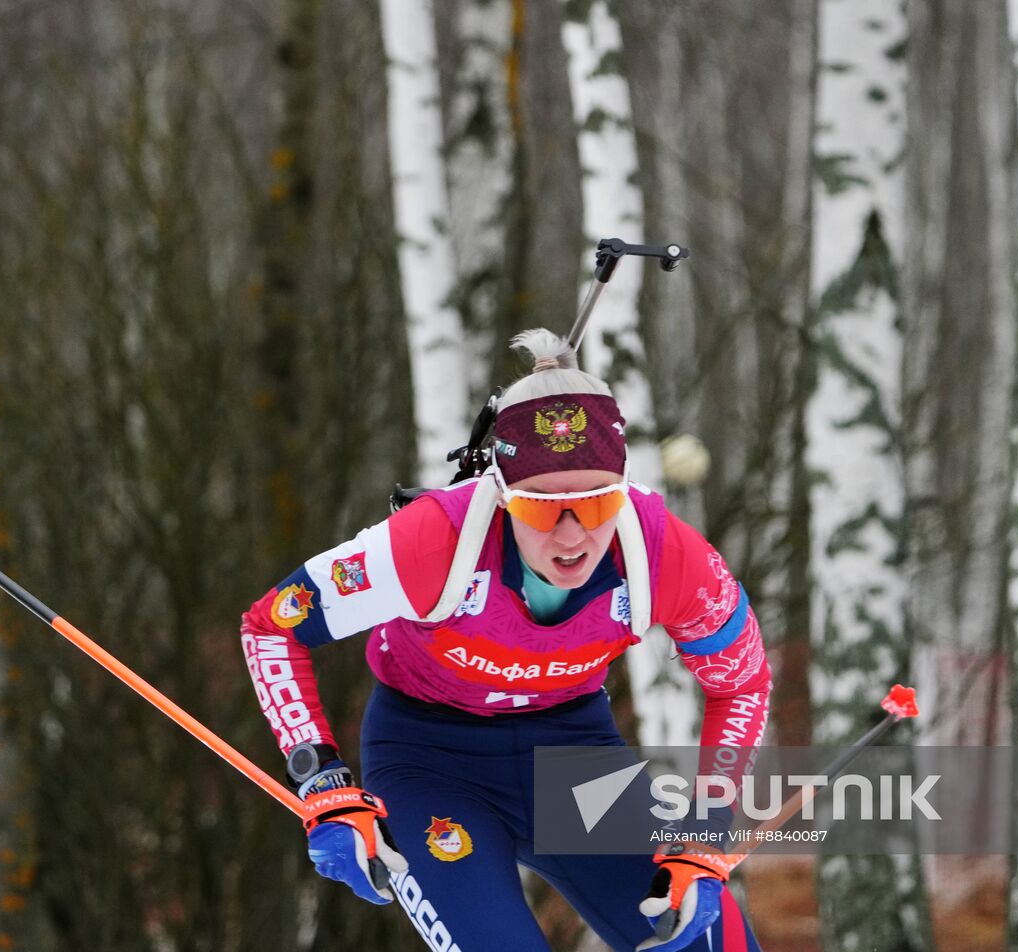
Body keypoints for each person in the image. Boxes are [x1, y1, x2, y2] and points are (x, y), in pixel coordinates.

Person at [239, 329, 770, 951]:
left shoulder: (667, 554)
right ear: (502, 494)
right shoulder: (431, 541)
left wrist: (705, 833)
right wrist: (322, 780)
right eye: (542, 509)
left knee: (716, 945)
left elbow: (743, 685)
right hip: (429, 762)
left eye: (598, 505)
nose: (572, 537)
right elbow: (270, 627)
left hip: (575, 759)